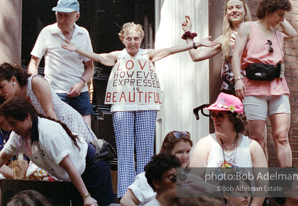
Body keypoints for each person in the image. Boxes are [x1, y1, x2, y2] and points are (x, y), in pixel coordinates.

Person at [61, 21, 218, 198]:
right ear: (123, 39)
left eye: (136, 38)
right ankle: (124, 194)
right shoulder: (118, 56)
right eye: (129, 38)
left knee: (145, 151)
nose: (133, 42)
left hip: (147, 106)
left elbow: (171, 50)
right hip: (122, 107)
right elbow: (98, 57)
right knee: (125, 151)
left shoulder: (147, 55)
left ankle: (147, 194)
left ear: (141, 39)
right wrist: (77, 49)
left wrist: (196, 43)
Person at [0, 96, 114, 206]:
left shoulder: (48, 133)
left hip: (92, 169)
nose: (11, 128)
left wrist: (86, 197)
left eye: (14, 123)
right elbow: (0, 158)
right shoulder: (18, 136)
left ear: (27, 117)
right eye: (10, 124)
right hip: (74, 177)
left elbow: (70, 167)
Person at [232, 0, 298, 167]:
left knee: (282, 136)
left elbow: (293, 32)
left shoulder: (278, 33)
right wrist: (238, 79)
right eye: (280, 14)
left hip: (278, 87)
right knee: (257, 138)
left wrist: (280, 17)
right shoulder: (248, 27)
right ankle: (261, 186)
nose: (282, 19)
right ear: (269, 10)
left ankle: (287, 186)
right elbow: (236, 56)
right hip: (253, 89)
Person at [189, 92, 267, 206]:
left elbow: (262, 185)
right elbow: (192, 183)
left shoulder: (252, 147)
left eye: (220, 115)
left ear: (235, 119)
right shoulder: (205, 144)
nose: (215, 119)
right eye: (213, 115)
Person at [0, 62, 96, 143]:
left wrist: (59, 138)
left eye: (1, 86)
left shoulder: (35, 82)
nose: (0, 92)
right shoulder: (16, 98)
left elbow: (50, 111)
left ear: (13, 80)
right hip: (48, 131)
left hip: (66, 123)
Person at [28, 0, 94, 126]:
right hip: (55, 91)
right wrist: (35, 87)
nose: (62, 19)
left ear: (77, 16)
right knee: (59, 131)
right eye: (59, 15)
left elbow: (90, 67)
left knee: (85, 132)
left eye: (67, 16)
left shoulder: (83, 33)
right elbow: (33, 63)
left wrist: (80, 84)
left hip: (79, 91)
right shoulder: (47, 32)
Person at [182, 0, 251, 94]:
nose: (234, 10)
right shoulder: (224, 39)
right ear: (227, 14)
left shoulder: (255, 34)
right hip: (232, 91)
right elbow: (196, 56)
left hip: (255, 90)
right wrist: (188, 34)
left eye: (238, 7)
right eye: (230, 8)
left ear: (245, 11)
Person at [121, 131, 193, 206]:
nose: (185, 157)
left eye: (188, 151)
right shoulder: (149, 177)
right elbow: (126, 200)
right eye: (180, 152)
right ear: (166, 152)